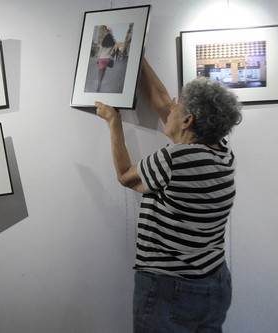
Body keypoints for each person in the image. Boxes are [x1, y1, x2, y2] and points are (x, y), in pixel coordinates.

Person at [95, 58, 242, 333]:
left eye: (179, 105)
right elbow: (163, 102)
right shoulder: (222, 153)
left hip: (170, 288)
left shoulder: (177, 158)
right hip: (214, 282)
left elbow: (126, 175)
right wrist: (137, 55)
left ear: (187, 120)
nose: (171, 104)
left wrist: (114, 122)